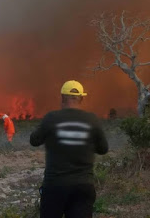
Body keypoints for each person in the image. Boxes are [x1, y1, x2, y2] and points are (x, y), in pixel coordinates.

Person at [30, 80, 108, 218]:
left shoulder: (51, 118)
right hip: (83, 187)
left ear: (62, 98)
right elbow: (103, 149)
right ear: (82, 99)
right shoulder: (92, 120)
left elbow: (34, 141)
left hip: (55, 186)